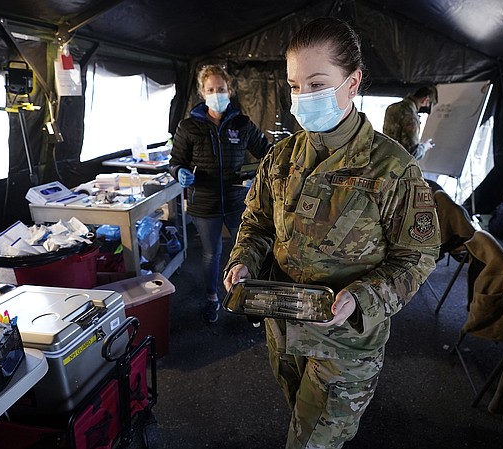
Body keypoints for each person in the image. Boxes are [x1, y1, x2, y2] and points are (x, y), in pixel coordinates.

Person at [222, 18, 440, 449]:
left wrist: (364, 296)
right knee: (300, 421)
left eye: (317, 83)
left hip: (345, 346)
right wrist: (243, 259)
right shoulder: (280, 157)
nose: (303, 98)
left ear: (353, 82)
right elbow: (259, 223)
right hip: (283, 329)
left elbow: (416, 257)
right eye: (294, 85)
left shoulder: (392, 168)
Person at [170, 64, 271, 323]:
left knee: (248, 250)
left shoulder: (242, 123)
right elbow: (176, 161)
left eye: (222, 88)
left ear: (230, 90)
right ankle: (212, 297)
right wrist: (179, 172)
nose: (217, 93)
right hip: (204, 203)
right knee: (211, 253)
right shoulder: (189, 127)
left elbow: (267, 152)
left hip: (238, 200)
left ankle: (250, 299)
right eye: (211, 89)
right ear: (203, 93)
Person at [382, 85, 437, 160]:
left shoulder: (392, 107)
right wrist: (425, 146)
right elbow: (412, 153)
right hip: (399, 165)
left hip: (385, 158)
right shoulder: (411, 116)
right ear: (425, 100)